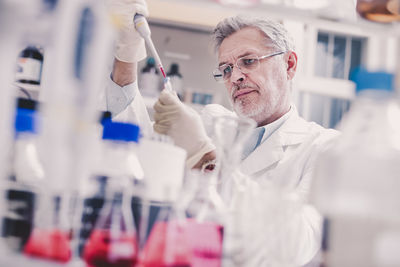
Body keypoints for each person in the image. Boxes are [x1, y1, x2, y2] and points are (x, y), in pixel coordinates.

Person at [103, 1, 340, 265]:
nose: (235, 77)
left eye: (248, 61)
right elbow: (139, 153)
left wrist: (205, 157)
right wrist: (127, 50)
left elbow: (294, 246)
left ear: (290, 65)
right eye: (226, 69)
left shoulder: (324, 148)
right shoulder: (211, 122)